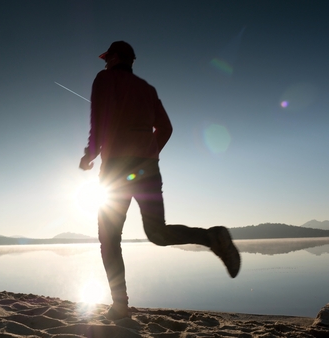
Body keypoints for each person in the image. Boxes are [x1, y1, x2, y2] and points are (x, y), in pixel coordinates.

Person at [79, 41, 240, 320]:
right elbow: (166, 127)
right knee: (157, 232)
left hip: (117, 168)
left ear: (116, 58)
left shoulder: (104, 79)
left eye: (107, 58)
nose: (104, 63)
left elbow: (99, 121)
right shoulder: (148, 89)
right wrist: (149, 153)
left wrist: (89, 155)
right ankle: (211, 237)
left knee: (109, 238)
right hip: (148, 169)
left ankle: (120, 306)